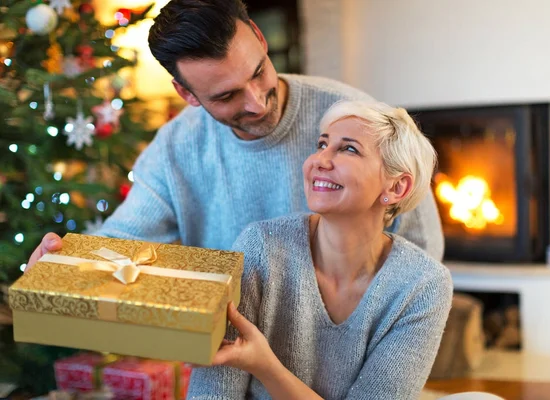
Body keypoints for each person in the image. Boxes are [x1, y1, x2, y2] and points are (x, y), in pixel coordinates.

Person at [26, 0, 443, 270]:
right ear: (186, 93)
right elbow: (121, 241)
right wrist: (65, 257)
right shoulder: (176, 149)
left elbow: (421, 250)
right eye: (226, 96)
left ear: (259, 38)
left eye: (259, 71)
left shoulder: (349, 116)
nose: (258, 103)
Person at [187, 100, 453, 400]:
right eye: (321, 144)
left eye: (348, 149)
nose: (319, 161)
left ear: (396, 188)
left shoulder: (422, 284)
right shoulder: (262, 246)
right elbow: (211, 393)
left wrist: (265, 366)